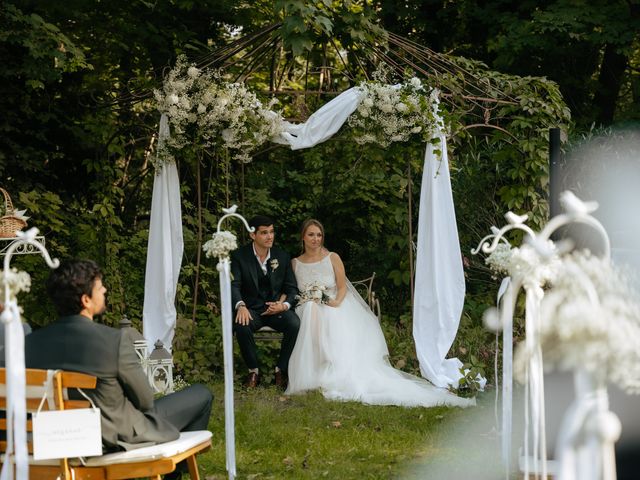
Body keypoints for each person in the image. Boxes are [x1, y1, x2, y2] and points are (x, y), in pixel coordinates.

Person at [24, 259, 213, 453]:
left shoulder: (28, 344)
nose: (105, 290)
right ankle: (174, 473)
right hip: (112, 438)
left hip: (54, 439)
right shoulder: (113, 341)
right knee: (202, 394)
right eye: (99, 287)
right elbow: (145, 401)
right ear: (86, 300)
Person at [286, 219, 474, 407]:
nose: (315, 239)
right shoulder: (295, 263)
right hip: (307, 306)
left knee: (321, 314)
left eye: (319, 235)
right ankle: (316, 370)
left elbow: (342, 288)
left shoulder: (332, 257)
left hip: (334, 304)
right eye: (311, 234)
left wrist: (334, 302)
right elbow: (291, 290)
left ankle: (326, 368)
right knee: (311, 310)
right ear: (303, 237)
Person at [231, 215, 300, 389]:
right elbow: (234, 285)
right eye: (264, 233)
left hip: (276, 310)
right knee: (241, 324)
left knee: (294, 323)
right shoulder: (239, 256)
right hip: (252, 310)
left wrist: (283, 306)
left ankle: (280, 370)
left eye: (271, 232)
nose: (270, 236)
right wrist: (241, 305)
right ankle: (253, 371)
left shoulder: (282, 256)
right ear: (252, 235)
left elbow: (292, 289)